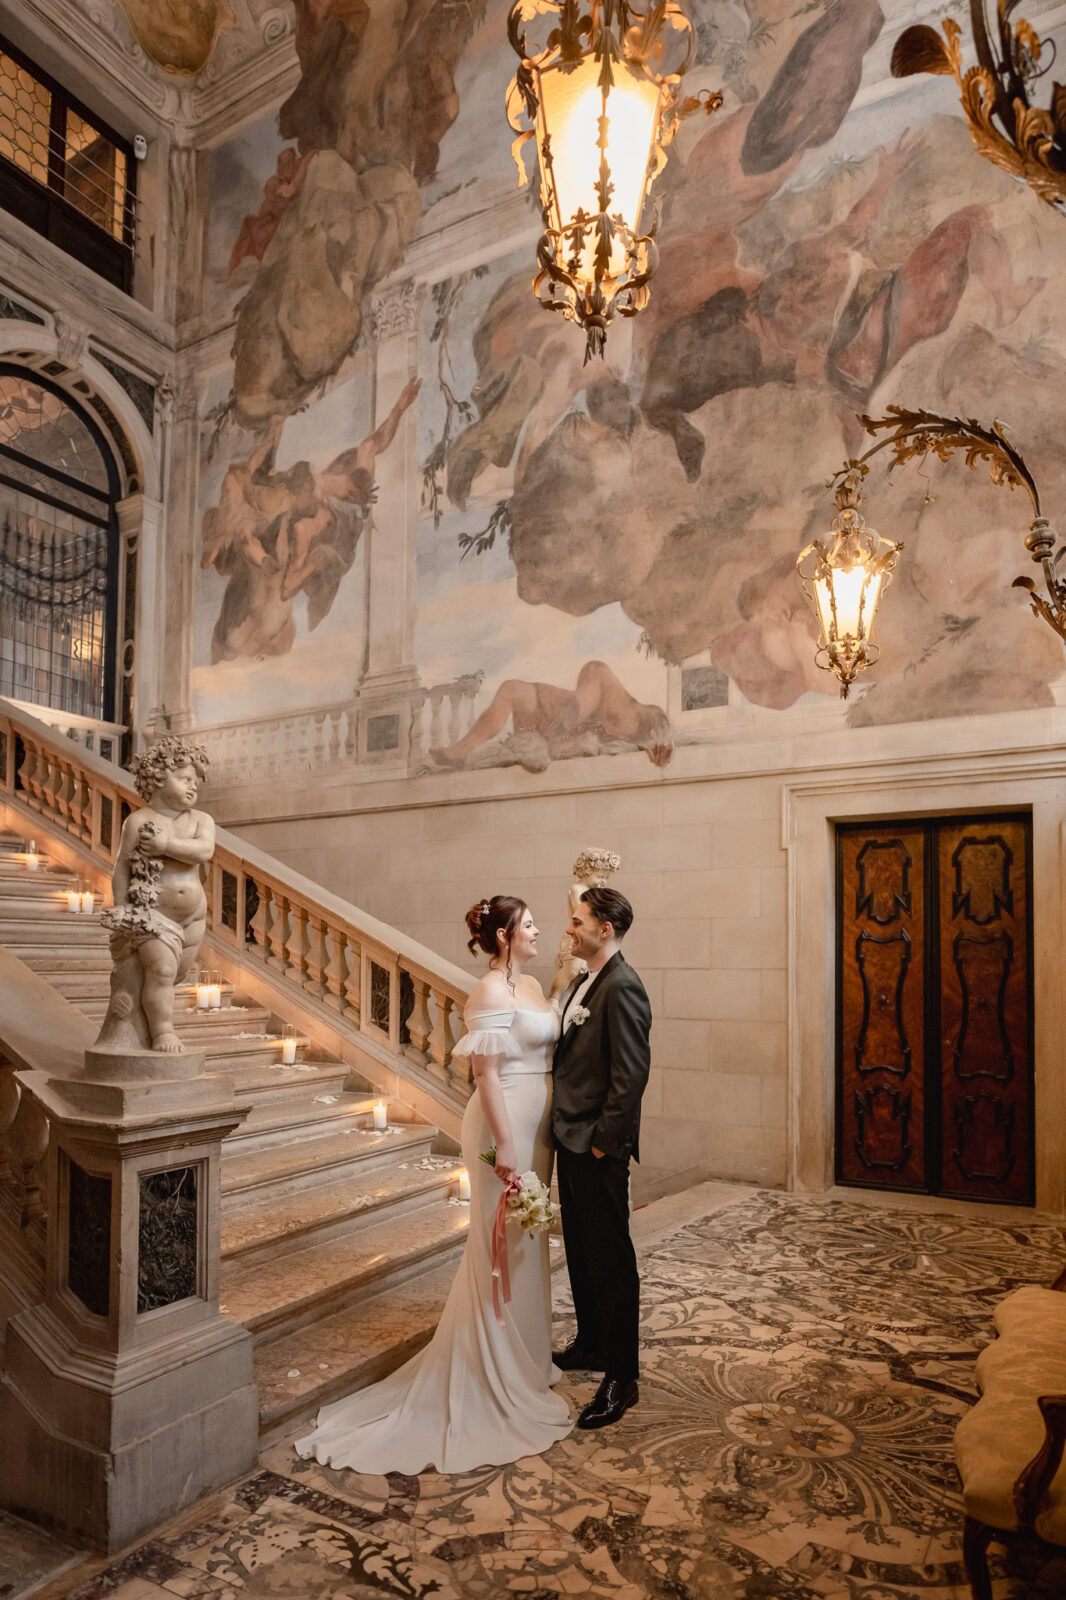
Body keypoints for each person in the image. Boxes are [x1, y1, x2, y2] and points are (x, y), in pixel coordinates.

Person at [295, 895, 572, 1473]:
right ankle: (492, 1370)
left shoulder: (532, 985)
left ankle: (527, 1363)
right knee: (498, 1242)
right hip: (503, 1125)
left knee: (529, 1241)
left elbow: (547, 1032)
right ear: (504, 936)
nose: (537, 930)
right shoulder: (489, 992)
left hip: (538, 1125)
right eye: (528, 924)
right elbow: (486, 1075)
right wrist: (506, 1146)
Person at [552, 886, 651, 1428]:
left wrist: (602, 1144)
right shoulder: (584, 981)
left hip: (596, 1145)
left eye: (577, 921)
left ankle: (621, 1375)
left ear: (603, 928)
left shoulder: (623, 986)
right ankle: (591, 1342)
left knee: (611, 1260)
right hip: (571, 1140)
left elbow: (630, 1077)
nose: (569, 929)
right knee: (582, 1250)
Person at [96, 736, 214, 1055]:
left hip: (193, 919)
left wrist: (166, 845)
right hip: (152, 917)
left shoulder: (201, 820)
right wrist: (124, 910)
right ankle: (163, 1031)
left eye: (195, 781)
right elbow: (122, 869)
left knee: (176, 974)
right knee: (161, 970)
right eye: (184, 779)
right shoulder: (138, 821)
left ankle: (140, 1025)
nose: (193, 786)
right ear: (158, 778)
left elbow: (204, 850)